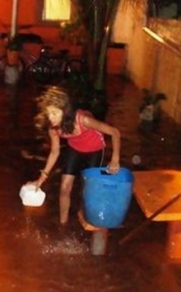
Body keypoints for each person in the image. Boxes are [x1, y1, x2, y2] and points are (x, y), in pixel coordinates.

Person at [28, 86, 121, 225]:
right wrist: (41, 180)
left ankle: (84, 215)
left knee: (87, 188)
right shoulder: (53, 127)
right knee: (65, 187)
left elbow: (115, 132)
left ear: (65, 110)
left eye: (54, 113)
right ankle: (63, 224)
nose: (51, 118)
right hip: (75, 148)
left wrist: (115, 160)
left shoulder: (83, 120)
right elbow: (55, 152)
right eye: (48, 114)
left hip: (95, 149)